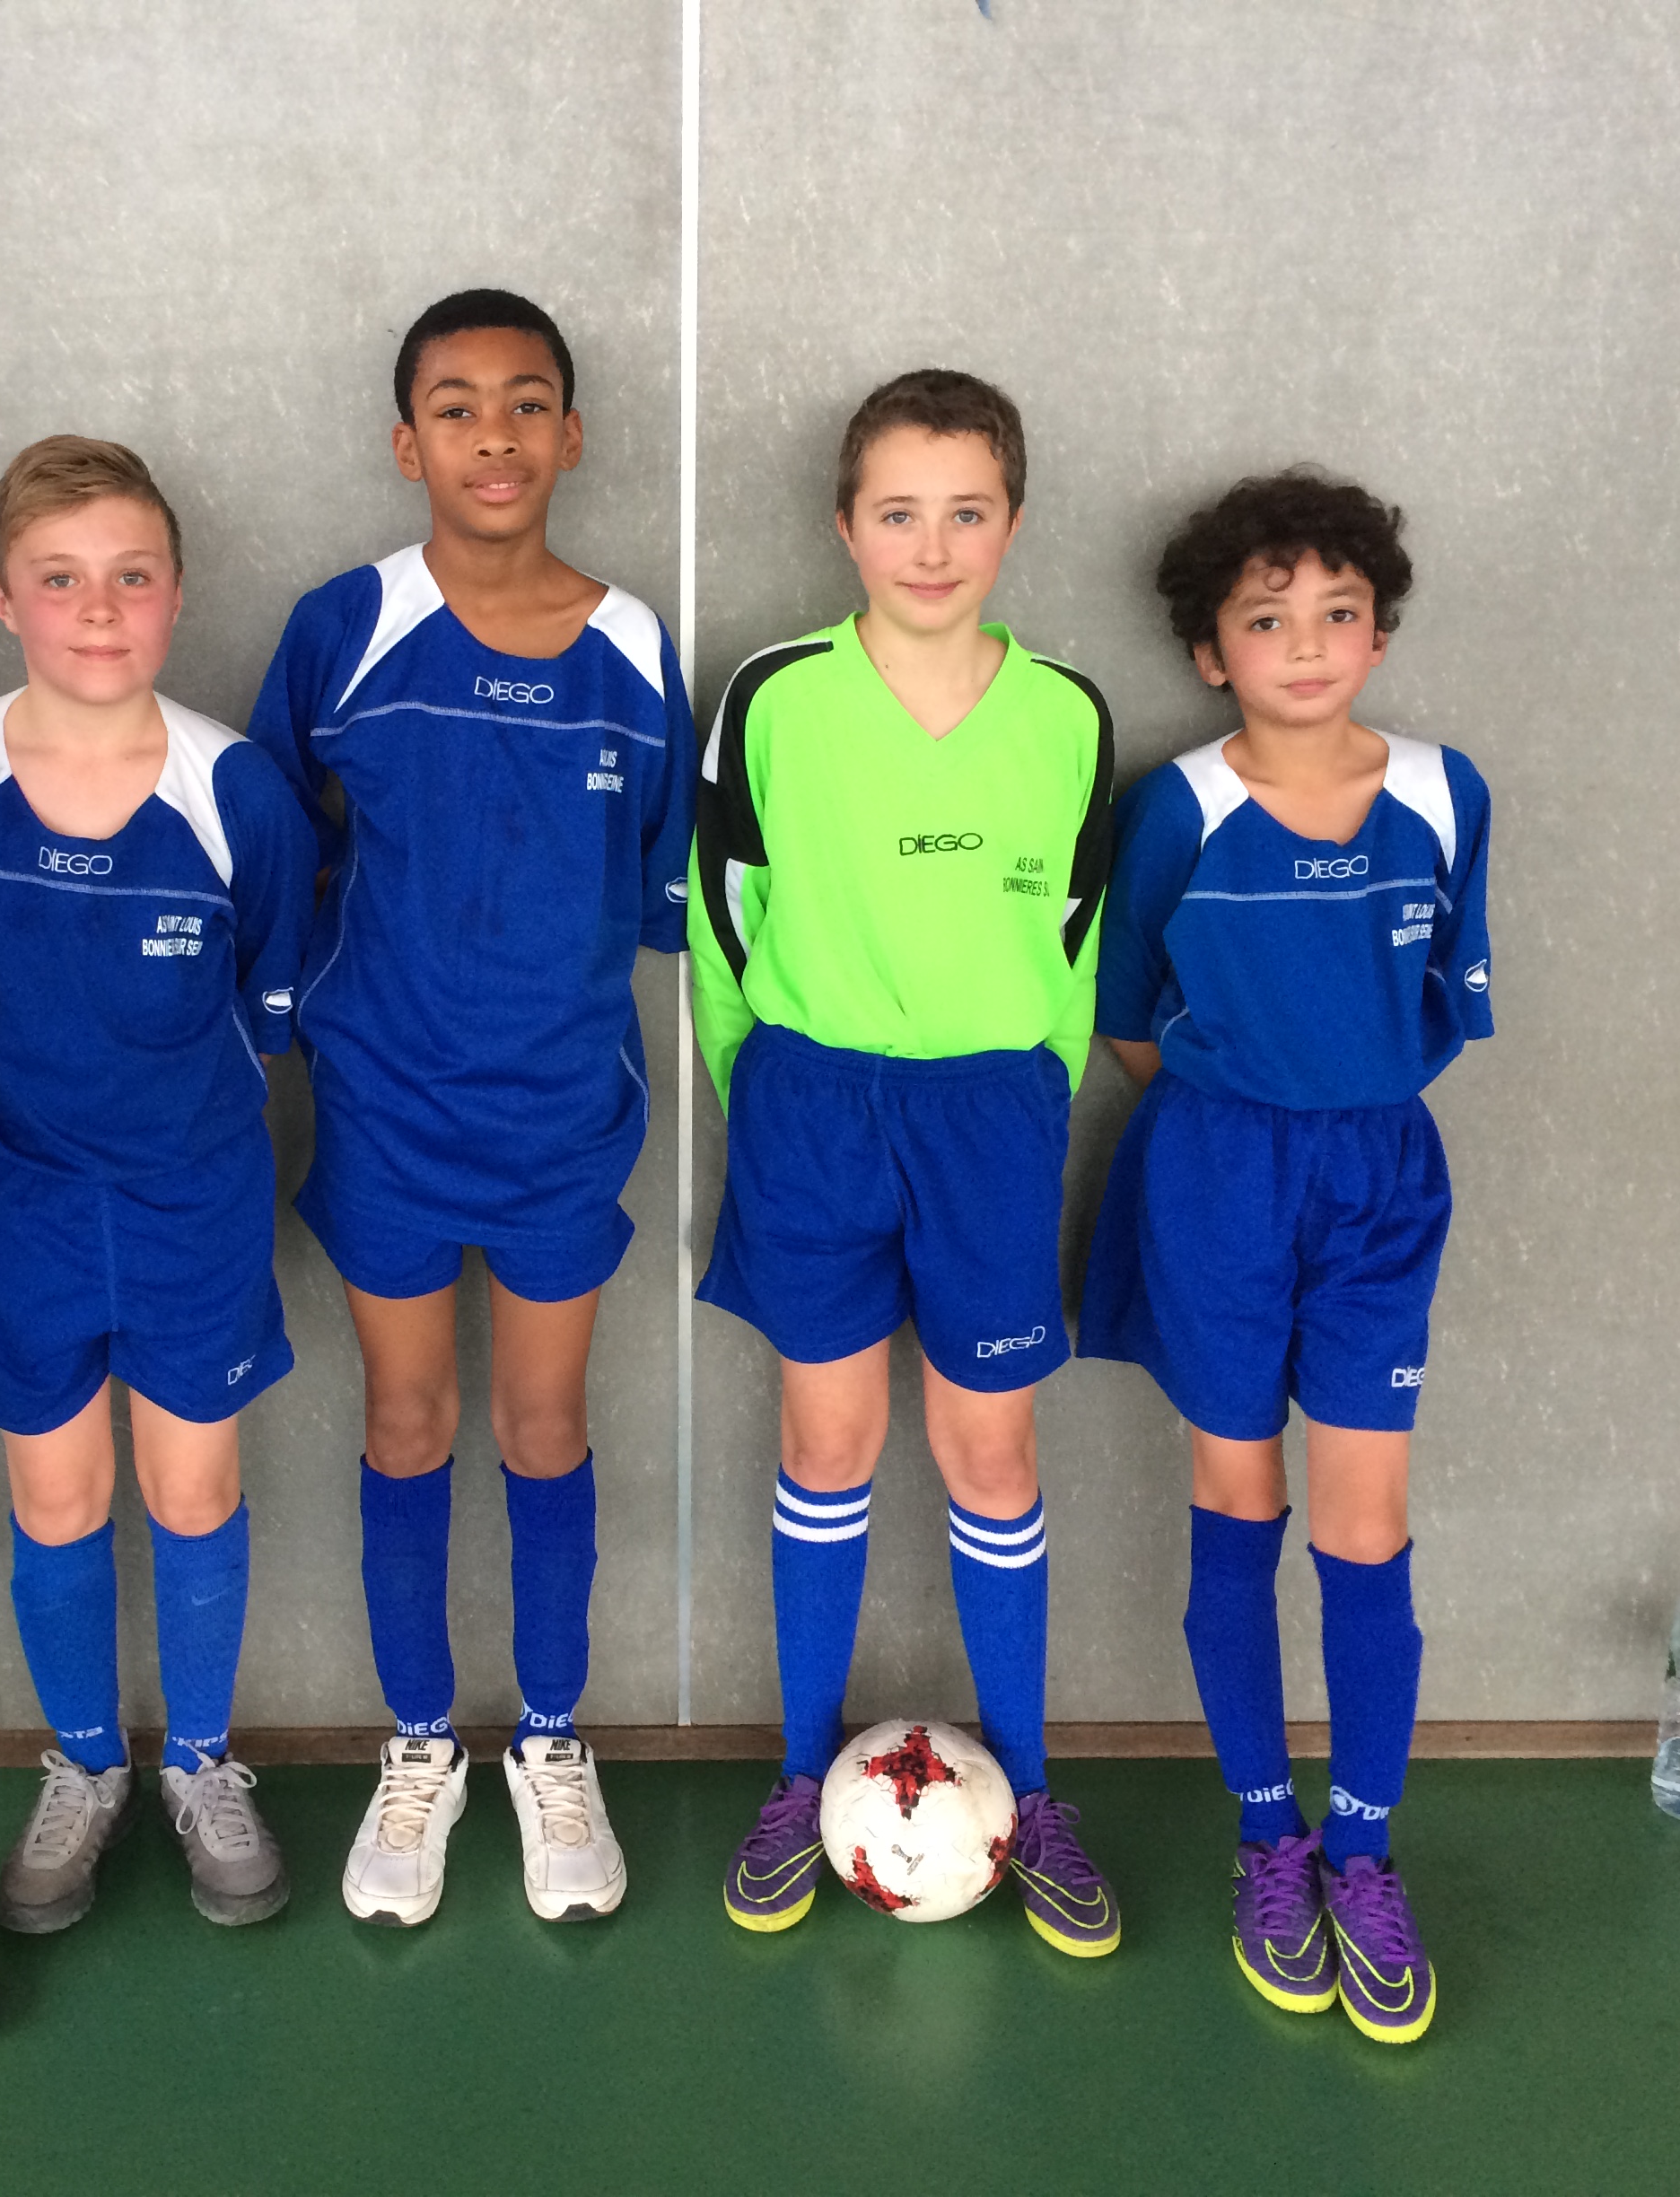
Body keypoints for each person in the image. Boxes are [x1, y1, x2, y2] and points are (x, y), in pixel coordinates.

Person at [248, 290, 694, 1926]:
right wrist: (314, 1012)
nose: (492, 435)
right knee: (407, 1422)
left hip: (563, 1112)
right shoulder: (343, 627)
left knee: (545, 1428)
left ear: (572, 435)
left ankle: (553, 1743)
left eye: (524, 404)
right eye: (456, 406)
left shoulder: (635, 645)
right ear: (406, 442)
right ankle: (422, 1744)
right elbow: (275, 838)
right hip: (386, 1108)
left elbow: (656, 879)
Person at [689, 369, 1120, 1952]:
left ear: (1012, 523)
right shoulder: (775, 697)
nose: (930, 546)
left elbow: (1074, 939)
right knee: (829, 1446)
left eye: (966, 512)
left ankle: (1038, 1793)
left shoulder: (1067, 715)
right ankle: (802, 1779)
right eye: (897, 512)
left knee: (991, 1456)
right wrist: (769, 1090)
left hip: (989, 1121)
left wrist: (1027, 1097)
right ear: (844, 525)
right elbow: (723, 920)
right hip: (813, 1110)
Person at [1081, 470, 1490, 2045]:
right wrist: (1240, 1117)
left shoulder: (1445, 794)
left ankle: (1364, 1854)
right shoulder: (1179, 808)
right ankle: (1270, 1842)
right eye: (1267, 620)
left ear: (1379, 631)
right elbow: (1126, 1015)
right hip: (1217, 1175)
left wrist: (1333, 1106)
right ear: (1211, 653)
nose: (1307, 644)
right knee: (1239, 1497)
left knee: (1366, 1520)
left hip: (1381, 1180)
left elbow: (1444, 993)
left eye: (1338, 613)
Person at [0, 436, 314, 1934]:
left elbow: (269, 998)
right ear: (0, 597)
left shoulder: (235, 790)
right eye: (60, 578)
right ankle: (86, 1764)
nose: (98, 609)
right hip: (6, 1209)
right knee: (57, 1492)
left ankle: (199, 1761)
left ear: (177, 594)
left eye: (132, 577)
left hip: (186, 1205)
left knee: (191, 1484)